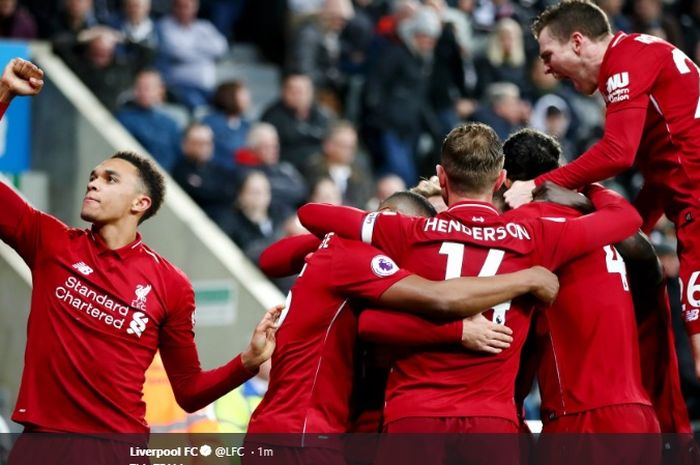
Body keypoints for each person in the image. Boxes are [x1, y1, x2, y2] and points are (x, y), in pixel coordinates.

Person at [297, 122, 641, 464]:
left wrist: (380, 232)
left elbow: (311, 214)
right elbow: (626, 218)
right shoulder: (534, 238)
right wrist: (580, 188)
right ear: (498, 180)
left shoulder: (407, 231)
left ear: (441, 178)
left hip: (415, 418)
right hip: (491, 425)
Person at [0, 58, 280, 461]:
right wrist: (5, 92)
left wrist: (248, 362)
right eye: (93, 176)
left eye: (110, 179)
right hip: (42, 442)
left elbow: (188, 390)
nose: (94, 182)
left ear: (140, 203)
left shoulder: (171, 284)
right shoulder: (50, 242)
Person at [246, 188, 560, 465]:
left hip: (323, 423)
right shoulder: (362, 262)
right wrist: (465, 325)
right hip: (318, 429)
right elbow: (380, 320)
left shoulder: (363, 262)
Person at [502, 0, 700, 377]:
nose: (545, 67)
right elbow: (661, 177)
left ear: (577, 42)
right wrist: (630, 234)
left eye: (549, 53)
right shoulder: (639, 58)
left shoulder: (625, 63)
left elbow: (617, 154)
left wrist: (535, 185)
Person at [499, 129, 660, 463]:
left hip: (582, 416)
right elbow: (649, 262)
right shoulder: (603, 225)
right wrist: (589, 195)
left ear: (505, 180)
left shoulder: (523, 228)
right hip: (641, 415)